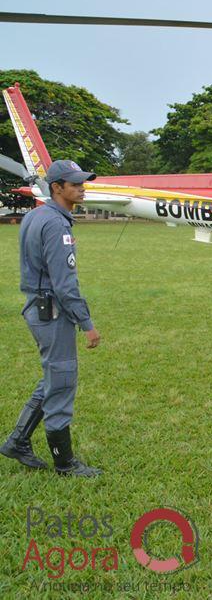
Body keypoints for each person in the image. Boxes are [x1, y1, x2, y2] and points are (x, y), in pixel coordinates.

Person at [1, 160, 103, 477]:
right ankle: (64, 462)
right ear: (56, 187)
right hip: (52, 311)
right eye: (74, 184)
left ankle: (18, 440)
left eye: (82, 183)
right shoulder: (57, 224)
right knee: (61, 382)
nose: (81, 188)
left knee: (51, 378)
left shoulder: (35, 215)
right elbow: (64, 285)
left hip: (38, 307)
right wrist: (87, 324)